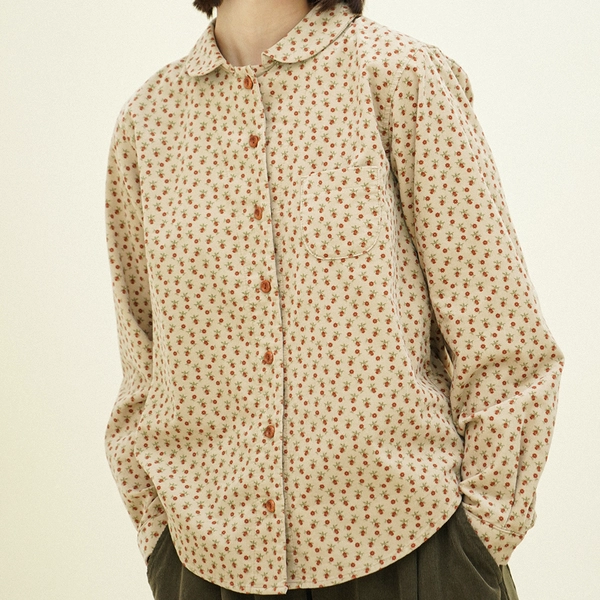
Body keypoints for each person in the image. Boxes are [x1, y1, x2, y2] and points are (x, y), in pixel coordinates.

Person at [103, 1, 564, 598]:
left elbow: (501, 334)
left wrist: (477, 543)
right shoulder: (149, 123)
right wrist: (161, 542)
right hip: (210, 564)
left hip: (413, 552)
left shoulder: (399, 76)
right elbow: (142, 362)